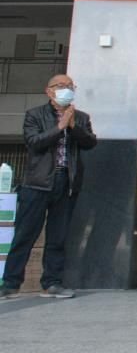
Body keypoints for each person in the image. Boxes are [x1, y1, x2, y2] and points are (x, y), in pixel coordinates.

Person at [0, 74, 96, 300]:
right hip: (38, 183)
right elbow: (34, 143)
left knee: (58, 236)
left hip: (67, 181)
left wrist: (72, 126)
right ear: (49, 91)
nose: (66, 89)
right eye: (61, 85)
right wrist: (60, 126)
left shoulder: (81, 117)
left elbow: (90, 142)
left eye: (70, 86)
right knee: (25, 234)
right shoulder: (35, 115)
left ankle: (52, 282)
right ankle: (11, 283)